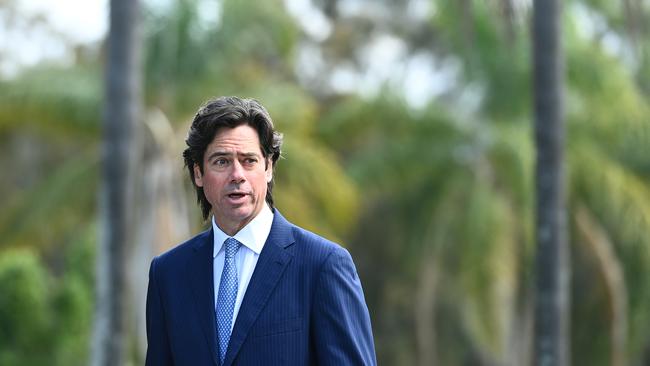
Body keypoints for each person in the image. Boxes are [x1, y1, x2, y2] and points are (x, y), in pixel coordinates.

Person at [145, 96, 377, 365]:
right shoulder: (169, 273)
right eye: (221, 161)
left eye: (249, 160)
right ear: (198, 173)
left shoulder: (322, 265)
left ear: (268, 167)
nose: (237, 175)